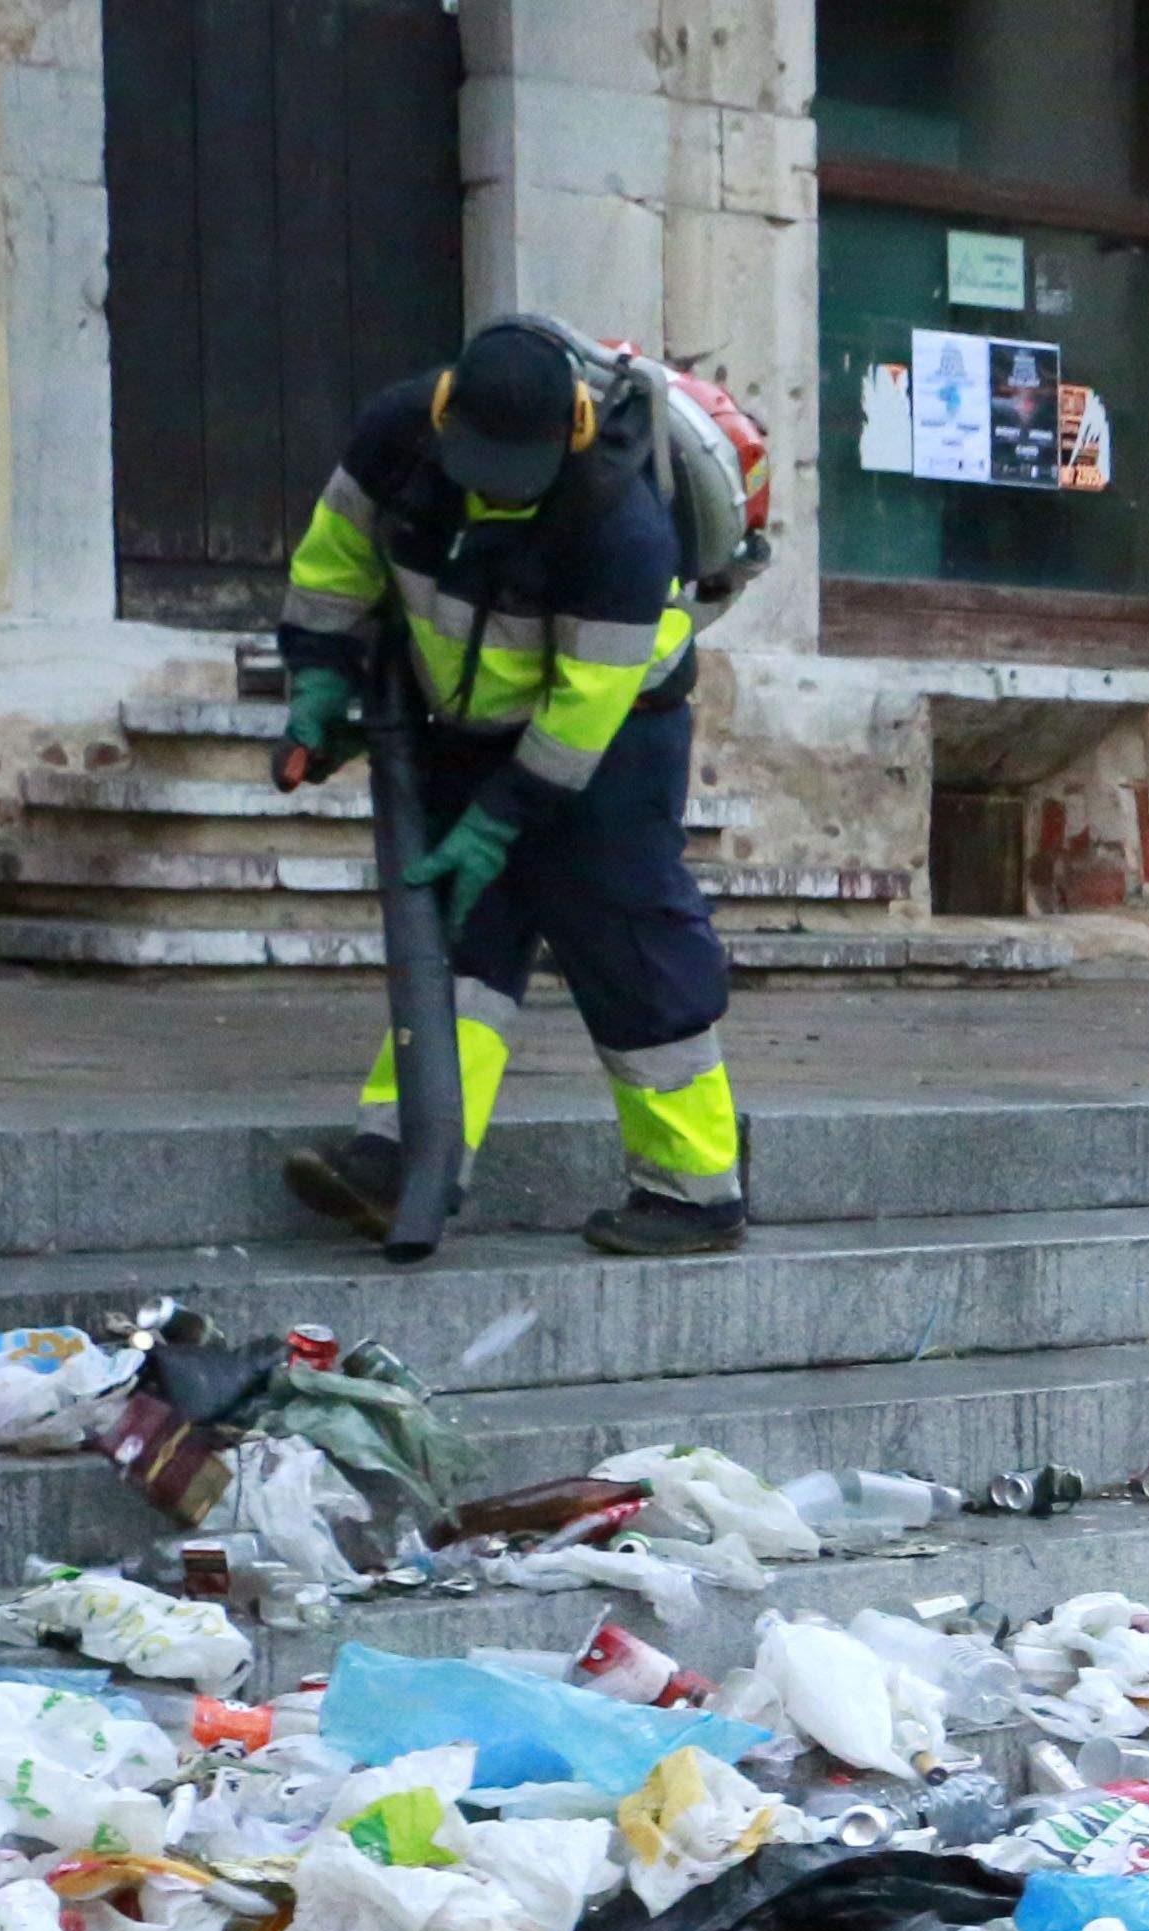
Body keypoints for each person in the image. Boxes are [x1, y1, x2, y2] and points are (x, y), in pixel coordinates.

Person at [274, 316, 749, 1258]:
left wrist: (505, 816)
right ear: (445, 416)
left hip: (617, 731)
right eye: (475, 468)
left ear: (569, 436)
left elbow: (585, 707)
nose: (491, 494)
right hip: (465, 716)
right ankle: (410, 1155)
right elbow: (335, 562)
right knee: (460, 933)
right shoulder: (394, 436)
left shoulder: (618, 518)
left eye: (513, 478)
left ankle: (697, 1192)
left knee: (628, 940)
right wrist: (319, 675)